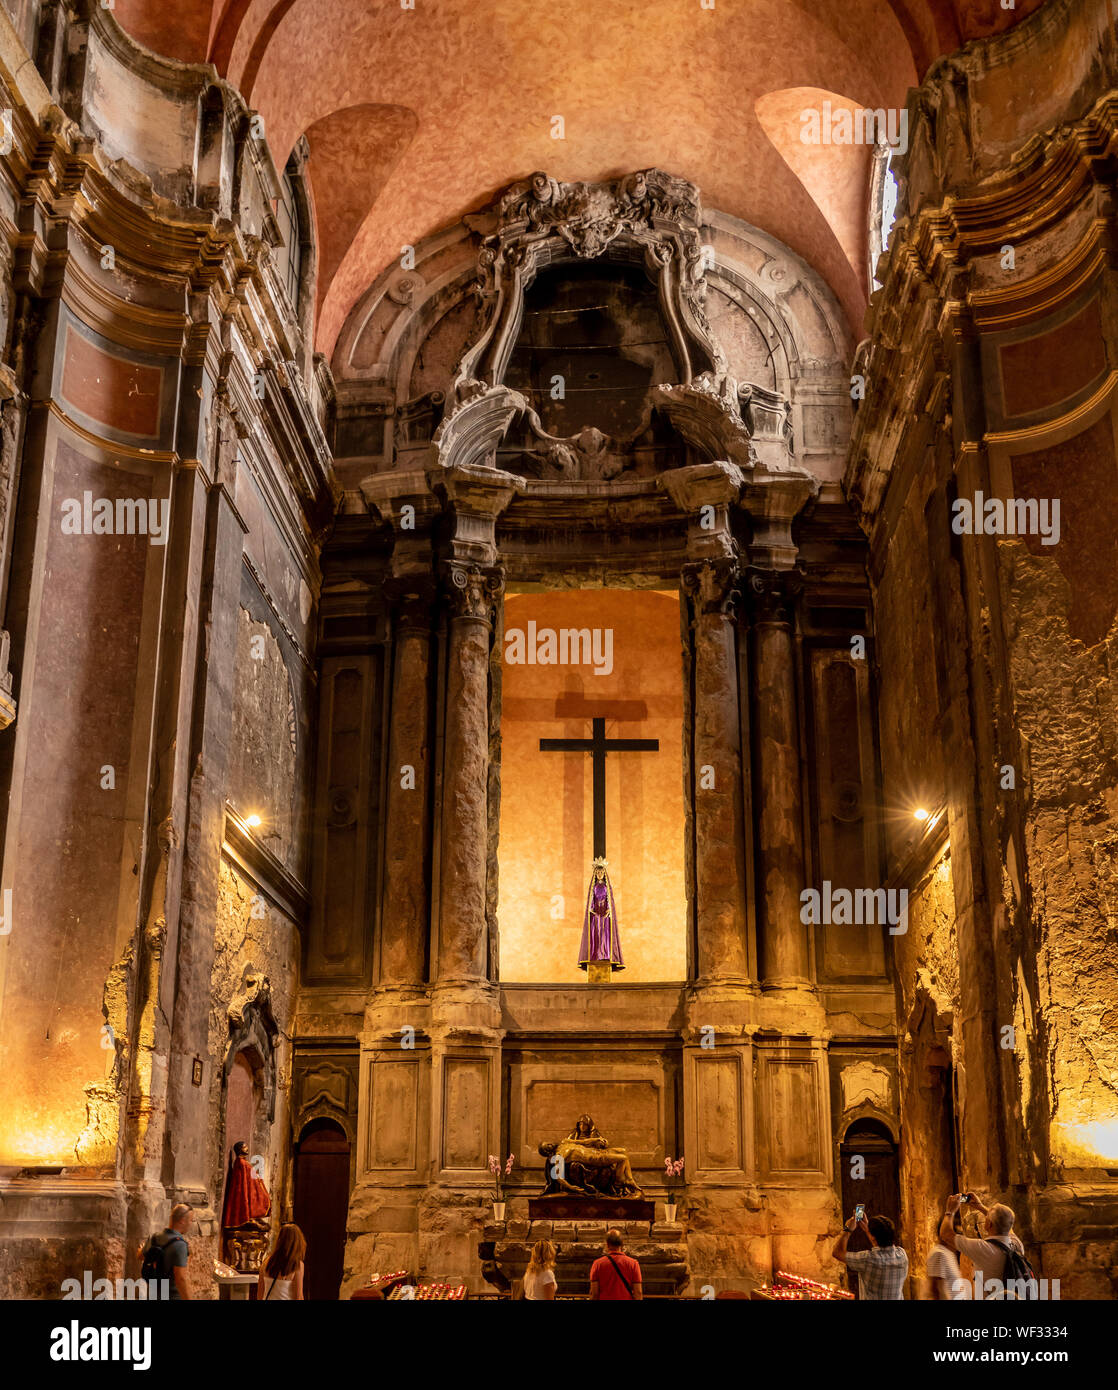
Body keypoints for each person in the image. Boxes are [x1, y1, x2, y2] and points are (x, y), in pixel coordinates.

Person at [940, 1194, 1025, 1299]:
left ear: (988, 1224)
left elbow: (945, 1235)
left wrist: (950, 1211)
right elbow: (1006, 1224)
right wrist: (980, 1206)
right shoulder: (1017, 1244)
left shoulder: (984, 1249)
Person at [831, 1212, 908, 1300]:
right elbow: (879, 1244)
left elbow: (837, 1252)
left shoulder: (867, 1259)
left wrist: (847, 1229)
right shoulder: (902, 1255)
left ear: (873, 1237)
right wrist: (867, 1229)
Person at [143, 1202, 192, 1301]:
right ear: (182, 1221)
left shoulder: (155, 1237)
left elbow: (141, 1255)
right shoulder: (180, 1245)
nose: (191, 1224)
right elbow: (180, 1278)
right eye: (191, 1220)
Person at [589, 1228, 642, 1301]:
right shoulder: (633, 1264)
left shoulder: (597, 1264)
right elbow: (638, 1292)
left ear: (607, 1244)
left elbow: (594, 1294)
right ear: (622, 1245)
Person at [258, 1222, 306, 1301]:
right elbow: (299, 1297)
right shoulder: (297, 1264)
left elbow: (260, 1294)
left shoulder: (266, 1261)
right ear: (297, 1242)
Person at [926, 1206, 966, 1300]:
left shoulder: (949, 1254)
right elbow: (936, 1290)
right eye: (958, 1234)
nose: (960, 1238)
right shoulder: (939, 1254)